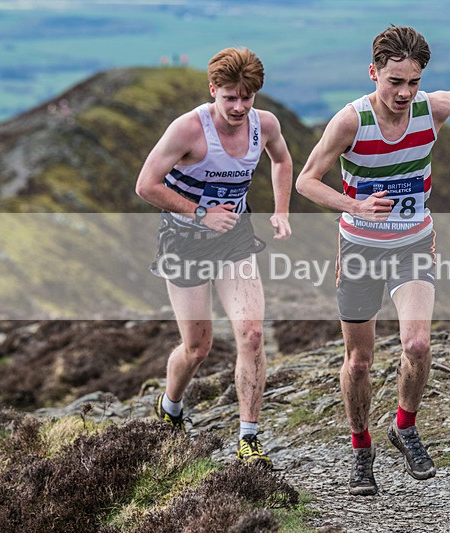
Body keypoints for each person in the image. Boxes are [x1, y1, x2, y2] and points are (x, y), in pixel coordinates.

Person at [296, 26, 450, 495]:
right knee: (358, 362)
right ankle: (361, 450)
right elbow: (306, 181)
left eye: (412, 82)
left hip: (414, 244)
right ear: (373, 73)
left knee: (417, 345)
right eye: (394, 81)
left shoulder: (429, 107)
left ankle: (405, 427)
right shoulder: (350, 122)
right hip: (359, 251)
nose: (404, 92)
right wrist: (353, 205)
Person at [135, 47, 292, 467]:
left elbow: (281, 159)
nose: (239, 107)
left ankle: (249, 438)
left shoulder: (265, 125)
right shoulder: (188, 129)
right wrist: (201, 213)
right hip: (184, 242)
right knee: (198, 346)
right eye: (230, 98)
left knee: (252, 335)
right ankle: (170, 407)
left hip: (234, 239)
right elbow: (146, 185)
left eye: (247, 97)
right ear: (213, 91)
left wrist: (280, 210)